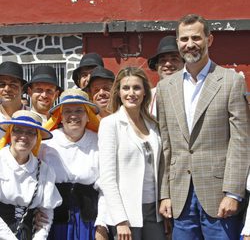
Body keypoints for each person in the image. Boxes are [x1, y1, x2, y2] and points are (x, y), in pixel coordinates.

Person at [157, 14, 250, 240]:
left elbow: (240, 141)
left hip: (219, 195)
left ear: (209, 40)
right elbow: (166, 144)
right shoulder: (165, 87)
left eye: (196, 38)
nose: (190, 44)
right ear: (178, 42)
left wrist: (233, 193)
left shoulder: (230, 81)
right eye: (184, 39)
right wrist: (165, 194)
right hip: (180, 195)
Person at [98, 66, 165, 240]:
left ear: (145, 93)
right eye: (125, 88)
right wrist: (120, 220)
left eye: (137, 87)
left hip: (154, 211)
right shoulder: (110, 124)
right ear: (118, 93)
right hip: (126, 213)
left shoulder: (153, 125)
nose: (131, 93)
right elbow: (107, 178)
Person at [38, 88, 106, 240]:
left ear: (87, 115)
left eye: (79, 110)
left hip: (88, 223)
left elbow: (105, 188)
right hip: (54, 222)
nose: (73, 115)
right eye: (67, 111)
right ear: (60, 117)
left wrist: (102, 224)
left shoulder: (99, 142)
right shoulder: (47, 143)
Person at [0, 110, 62, 239]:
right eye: (18, 130)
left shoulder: (45, 170)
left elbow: (46, 212)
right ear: (10, 133)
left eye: (30, 132)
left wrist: (40, 238)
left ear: (37, 137)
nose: (23, 136)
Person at [147, 36, 184, 117]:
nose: (168, 64)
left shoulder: (191, 93)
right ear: (157, 66)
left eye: (174, 59)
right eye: (163, 60)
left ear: (184, 64)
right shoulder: (147, 97)